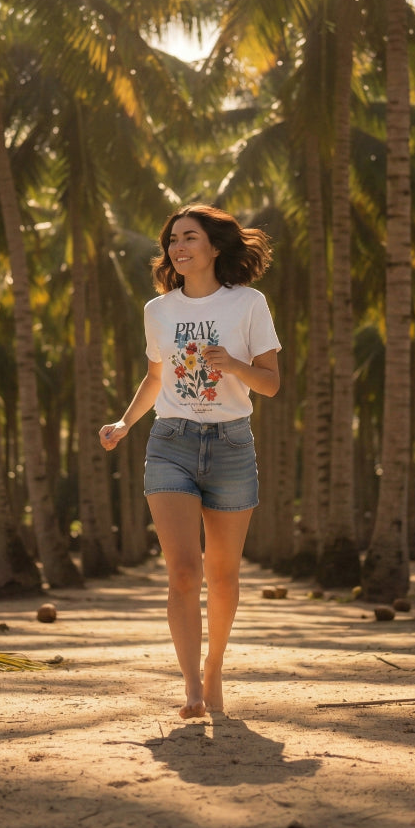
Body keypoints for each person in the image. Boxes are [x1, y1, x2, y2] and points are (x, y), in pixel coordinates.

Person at [99, 204, 281, 719]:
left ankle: (214, 668)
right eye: (172, 240)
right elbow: (156, 378)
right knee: (183, 571)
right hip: (171, 442)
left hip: (230, 446)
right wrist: (125, 423)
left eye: (189, 237)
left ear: (215, 247)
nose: (177, 247)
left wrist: (234, 365)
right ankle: (192, 689)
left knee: (223, 577)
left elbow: (271, 383)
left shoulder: (248, 304)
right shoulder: (158, 311)